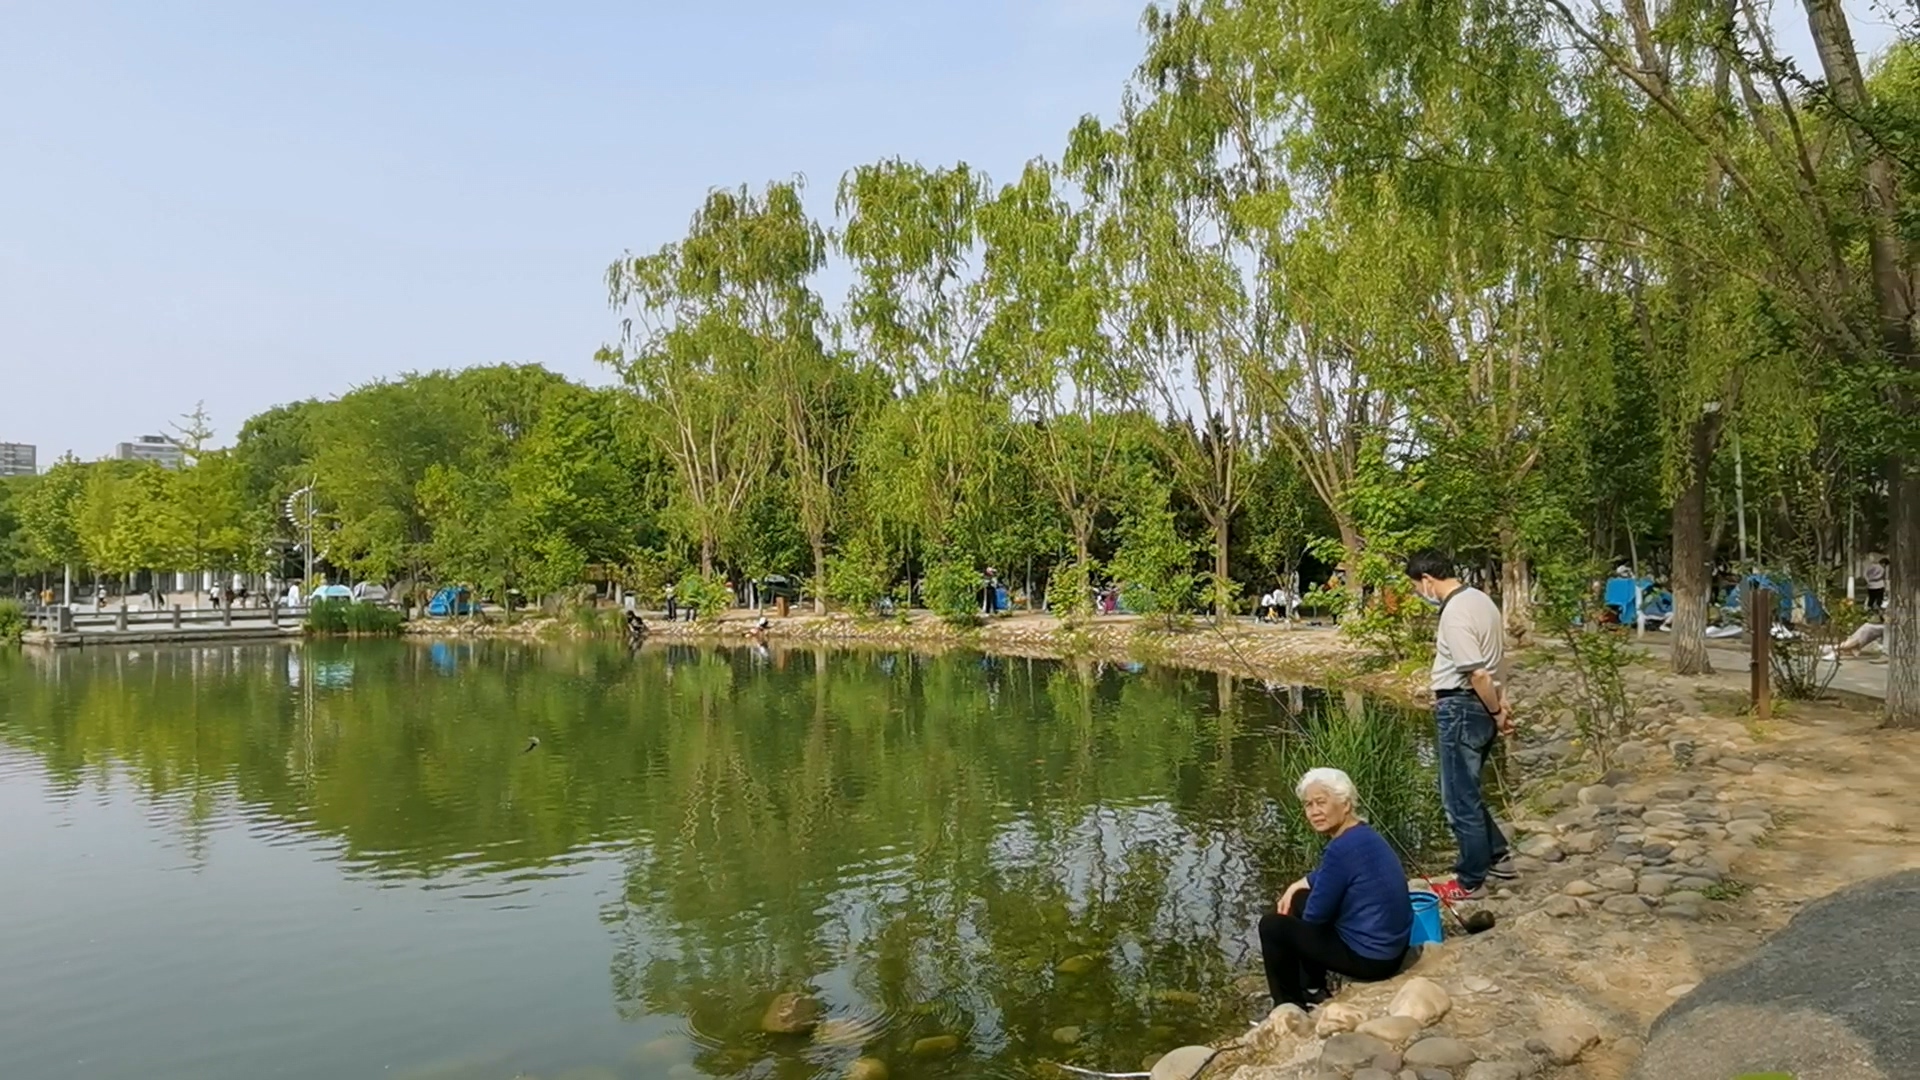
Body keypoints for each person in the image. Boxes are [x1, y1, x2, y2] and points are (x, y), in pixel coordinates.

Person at [1405, 550, 1515, 902]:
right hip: (1481, 705)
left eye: (1417, 587)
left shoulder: (1454, 612)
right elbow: (1498, 661)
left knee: (1456, 798)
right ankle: (1498, 856)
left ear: (1427, 581)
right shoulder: (1482, 600)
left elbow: (1477, 670)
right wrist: (1499, 703)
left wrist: (1496, 709)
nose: (1420, 594)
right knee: (1467, 790)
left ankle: (1470, 880)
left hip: (1462, 707)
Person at [1258, 768, 1412, 1011]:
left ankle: (1287, 1006)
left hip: (1372, 960)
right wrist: (1300, 883)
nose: (1314, 812)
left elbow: (1315, 918)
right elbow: (1337, 873)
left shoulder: (1339, 850)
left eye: (1321, 802)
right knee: (1299, 898)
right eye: (1308, 805)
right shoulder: (1364, 835)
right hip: (1394, 949)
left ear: (1346, 804)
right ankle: (1312, 988)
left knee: (1273, 926)